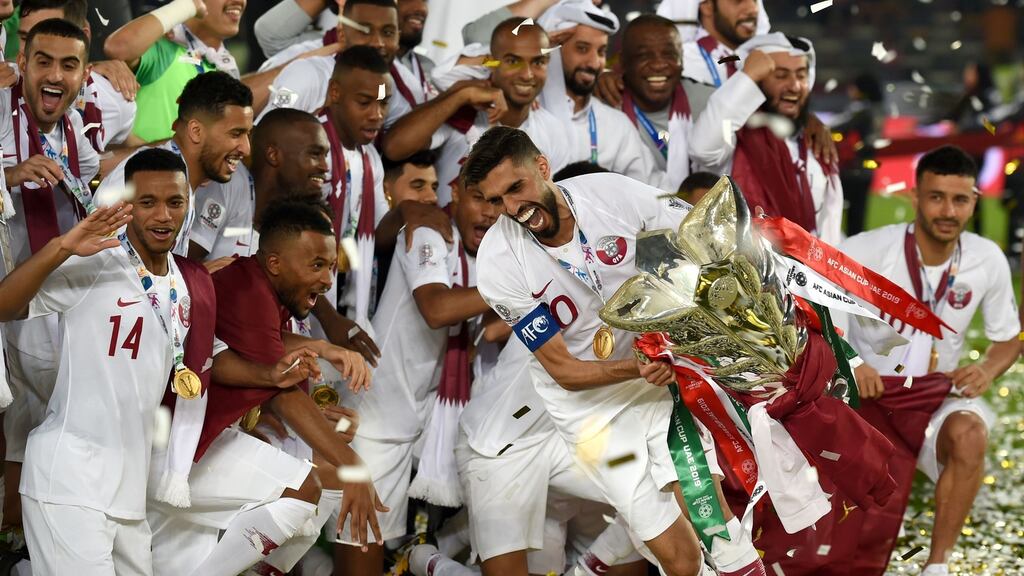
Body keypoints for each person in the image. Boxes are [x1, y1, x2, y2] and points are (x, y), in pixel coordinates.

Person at [469, 126, 765, 576]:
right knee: (680, 561)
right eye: (497, 201)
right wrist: (636, 365)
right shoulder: (497, 262)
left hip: (654, 387)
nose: (512, 209)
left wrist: (745, 245)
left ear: (543, 168)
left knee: (715, 521)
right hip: (589, 417)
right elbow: (565, 371)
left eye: (516, 188)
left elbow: (698, 228)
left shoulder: (607, 194)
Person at [0, 147, 213, 575]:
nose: (163, 216)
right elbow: (4, 305)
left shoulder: (184, 285)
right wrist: (62, 247)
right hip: (69, 480)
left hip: (128, 498)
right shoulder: (95, 262)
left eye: (175, 202)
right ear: (127, 206)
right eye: (147, 203)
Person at [148, 198, 383, 576]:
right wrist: (352, 464)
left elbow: (264, 356)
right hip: (173, 448)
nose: (327, 279)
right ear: (275, 263)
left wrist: (322, 351)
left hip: (179, 442)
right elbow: (283, 392)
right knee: (304, 490)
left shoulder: (257, 288)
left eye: (331, 267)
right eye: (317, 265)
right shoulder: (248, 292)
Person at [839, 146, 1021, 576]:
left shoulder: (985, 258)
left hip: (934, 397)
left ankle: (937, 566)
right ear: (915, 197)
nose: (948, 211)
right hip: (867, 400)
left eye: (960, 200)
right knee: (843, 541)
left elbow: (1008, 339)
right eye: (936, 197)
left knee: (970, 434)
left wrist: (987, 369)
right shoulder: (864, 250)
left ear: (975, 200)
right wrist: (852, 361)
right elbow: (821, 313)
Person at [335, 165, 499, 575]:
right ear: (456, 193)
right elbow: (437, 309)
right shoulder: (430, 233)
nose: (489, 213)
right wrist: (518, 286)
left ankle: (428, 552)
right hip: (378, 416)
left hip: (431, 417)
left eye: (499, 202)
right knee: (360, 560)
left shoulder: (495, 255)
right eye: (479, 198)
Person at [0, 18, 102, 539]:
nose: (55, 73)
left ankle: (23, 546)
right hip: (6, 302)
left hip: (49, 302)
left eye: (69, 64)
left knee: (31, 431)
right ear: (24, 64)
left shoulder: (81, 132)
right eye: (44, 61)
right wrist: (9, 177)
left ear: (85, 74)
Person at [382, 17, 570, 206]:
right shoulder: (464, 112)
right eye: (513, 61)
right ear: (492, 63)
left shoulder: (553, 131)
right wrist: (461, 96)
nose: (527, 74)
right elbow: (393, 148)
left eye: (538, 62)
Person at [688, 34, 843, 245]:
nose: (794, 86)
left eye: (801, 75)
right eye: (781, 76)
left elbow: (828, 230)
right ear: (758, 82)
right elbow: (702, 148)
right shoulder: (736, 138)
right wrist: (748, 76)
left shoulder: (816, 145)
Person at [96, 71, 254, 256]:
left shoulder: (181, 182)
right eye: (236, 134)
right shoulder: (146, 176)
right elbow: (108, 265)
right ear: (196, 131)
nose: (246, 148)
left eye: (248, 134)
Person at [187, 107, 328, 263]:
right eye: (315, 154)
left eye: (325, 155)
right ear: (273, 155)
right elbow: (181, 266)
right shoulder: (230, 183)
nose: (325, 167)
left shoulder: (297, 216)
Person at [256, 0, 411, 126]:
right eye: (364, 31)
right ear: (341, 32)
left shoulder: (386, 85)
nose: (378, 43)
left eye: (388, 33)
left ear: (398, 37)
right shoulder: (307, 74)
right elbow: (263, 135)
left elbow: (398, 136)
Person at [14, 0, 140, 151]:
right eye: (24, 38)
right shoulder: (5, 86)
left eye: (50, 37)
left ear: (84, 36)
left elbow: (119, 151)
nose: (33, 50)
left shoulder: (114, 102)